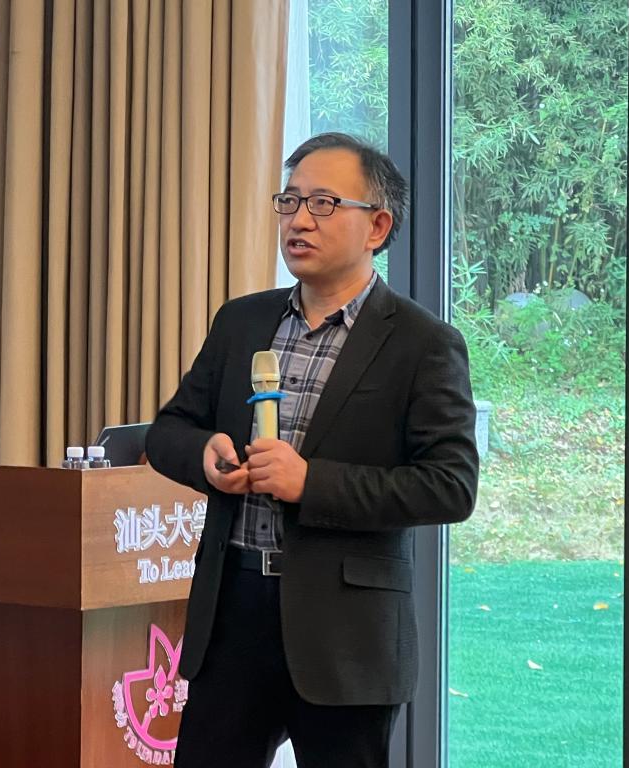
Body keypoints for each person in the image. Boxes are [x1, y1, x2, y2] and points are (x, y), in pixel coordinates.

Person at [145, 132, 480, 768]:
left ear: (377, 225)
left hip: (346, 634)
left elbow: (450, 485)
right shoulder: (242, 321)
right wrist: (206, 454)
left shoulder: (422, 343)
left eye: (324, 203)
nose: (299, 220)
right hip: (233, 614)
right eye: (290, 201)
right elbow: (169, 430)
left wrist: (310, 483)